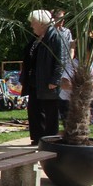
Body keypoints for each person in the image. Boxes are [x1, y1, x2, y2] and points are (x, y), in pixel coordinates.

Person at [20, 10, 66, 145]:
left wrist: (55, 80)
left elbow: (61, 60)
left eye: (33, 23)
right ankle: (37, 138)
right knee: (34, 110)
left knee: (49, 111)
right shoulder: (36, 38)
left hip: (47, 81)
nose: (31, 26)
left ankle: (50, 140)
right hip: (34, 80)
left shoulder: (55, 37)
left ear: (41, 23)